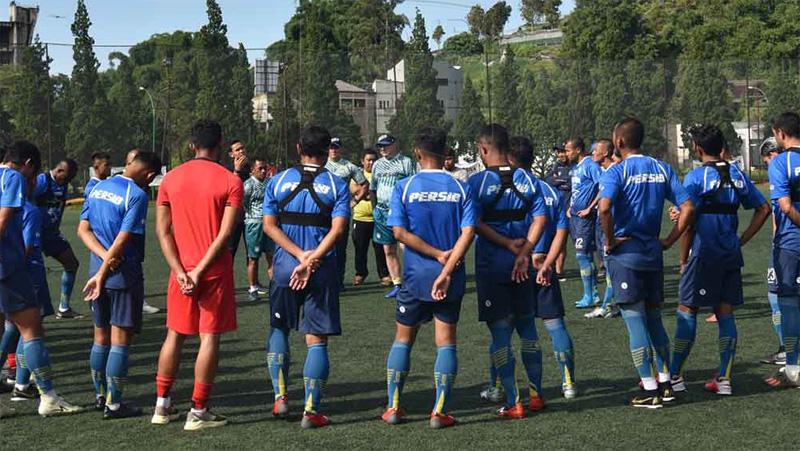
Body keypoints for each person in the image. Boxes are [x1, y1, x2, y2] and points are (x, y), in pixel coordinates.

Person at [381, 127, 476, 429]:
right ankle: (439, 412)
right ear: (445, 153)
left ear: (418, 154)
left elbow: (398, 233)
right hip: (450, 276)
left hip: (414, 276)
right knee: (445, 343)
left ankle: (394, 407)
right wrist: (446, 265)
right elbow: (468, 232)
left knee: (403, 340)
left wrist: (434, 255)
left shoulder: (405, 187)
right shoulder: (462, 187)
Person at [152, 120, 243, 430]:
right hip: (213, 270)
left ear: (192, 145)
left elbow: (163, 232)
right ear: (220, 145)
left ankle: (162, 405)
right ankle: (199, 411)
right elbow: (225, 234)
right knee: (209, 337)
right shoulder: (230, 180)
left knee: (174, 335)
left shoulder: (170, 179)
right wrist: (200, 270)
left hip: (181, 272)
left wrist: (181, 272)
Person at [598, 117, 694, 409]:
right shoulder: (662, 168)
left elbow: (604, 208)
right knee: (654, 319)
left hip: (627, 257)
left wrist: (611, 240)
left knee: (634, 321)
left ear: (619, 142)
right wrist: (668, 240)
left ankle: (649, 390)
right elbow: (688, 207)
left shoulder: (617, 171)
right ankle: (665, 383)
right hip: (653, 254)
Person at [668, 125, 769, 397]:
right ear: (722, 146)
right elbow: (763, 208)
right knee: (725, 314)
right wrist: (742, 239)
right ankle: (724, 378)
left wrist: (683, 259)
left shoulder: (695, 177)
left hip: (703, 255)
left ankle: (674, 375)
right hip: (729, 254)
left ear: (699, 150)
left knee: (687, 311)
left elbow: (688, 223)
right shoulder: (737, 174)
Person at [262, 125, 350, 429]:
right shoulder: (338, 185)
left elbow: (269, 226)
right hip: (321, 269)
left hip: (286, 268)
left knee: (279, 328)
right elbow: (338, 231)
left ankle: (280, 398)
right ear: (327, 152)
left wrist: (298, 256)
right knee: (317, 341)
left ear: (299, 148)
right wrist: (311, 258)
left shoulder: (277, 180)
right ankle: (311, 411)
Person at [467, 127, 547, 419]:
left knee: (500, 332)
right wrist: (524, 251)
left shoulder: (476, 182)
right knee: (528, 328)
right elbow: (540, 218)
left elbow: (473, 224)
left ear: (483, 149)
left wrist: (507, 246)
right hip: (522, 267)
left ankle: (514, 401)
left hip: (492, 266)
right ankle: (536, 394)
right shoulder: (527, 179)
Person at [79, 151, 163, 418]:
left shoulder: (97, 187)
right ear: (149, 175)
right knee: (119, 342)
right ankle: (114, 405)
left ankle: (99, 395)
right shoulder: (136, 195)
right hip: (121, 275)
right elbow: (123, 239)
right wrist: (107, 266)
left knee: (100, 337)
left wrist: (100, 264)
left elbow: (83, 230)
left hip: (96, 273)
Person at [0, 141, 82, 416]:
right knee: (31, 330)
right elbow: (3, 220)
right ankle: (48, 397)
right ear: (28, 165)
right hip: (7, 266)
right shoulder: (11, 176)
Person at [512, 136, 578, 401]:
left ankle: (528, 389)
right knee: (555, 325)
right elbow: (562, 231)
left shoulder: (509, 191)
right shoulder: (549, 190)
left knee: (514, 329)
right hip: (545, 268)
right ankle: (569, 382)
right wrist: (549, 262)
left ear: (510, 159)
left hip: (518, 269)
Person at [764, 112, 800, 388]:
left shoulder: (780, 163)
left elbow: (785, 207)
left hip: (790, 243)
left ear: (780, 133)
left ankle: (792, 369)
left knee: (788, 304)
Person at [34, 158, 81, 319]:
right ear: (59, 171)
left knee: (72, 263)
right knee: (33, 274)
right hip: (35, 234)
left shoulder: (64, 184)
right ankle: (30, 315)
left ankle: (64, 307)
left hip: (52, 234)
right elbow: (27, 203)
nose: (67, 181)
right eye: (66, 177)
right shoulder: (42, 181)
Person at [370, 134, 416, 299]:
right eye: (380, 146)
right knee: (388, 249)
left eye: (386, 145)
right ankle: (397, 284)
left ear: (394, 145)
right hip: (382, 213)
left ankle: (414, 281)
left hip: (400, 212)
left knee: (407, 247)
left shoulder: (406, 162)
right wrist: (374, 209)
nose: (382, 149)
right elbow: (373, 188)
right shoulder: (377, 165)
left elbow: (413, 186)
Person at [324, 137, 368, 290]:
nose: (333, 150)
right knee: (322, 245)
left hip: (341, 212)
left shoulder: (349, 166)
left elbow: (364, 185)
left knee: (340, 248)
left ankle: (338, 280)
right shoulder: (321, 165)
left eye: (336, 147)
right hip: (323, 211)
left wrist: (354, 202)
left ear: (340, 149)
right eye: (331, 147)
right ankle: (323, 280)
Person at [758, 137, 787, 366]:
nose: (767, 163)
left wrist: (776, 239)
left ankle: (786, 348)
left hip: (787, 244)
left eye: (768, 158)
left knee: (776, 294)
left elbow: (780, 211)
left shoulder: (780, 170)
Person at [123, 148, 160, 315]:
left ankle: (139, 301)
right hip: (123, 242)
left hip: (134, 238)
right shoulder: (133, 192)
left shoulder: (138, 190)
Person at [566, 138, 602, 309]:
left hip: (585, 219)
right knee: (586, 255)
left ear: (578, 150)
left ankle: (589, 295)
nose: (567, 154)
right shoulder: (575, 168)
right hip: (574, 216)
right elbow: (577, 191)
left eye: (568, 150)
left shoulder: (590, 165)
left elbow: (604, 186)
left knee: (581, 256)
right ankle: (593, 294)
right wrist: (570, 207)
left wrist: (590, 207)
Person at [585, 139, 620, 319]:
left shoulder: (615, 170)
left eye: (595, 151)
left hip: (610, 222)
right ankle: (612, 303)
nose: (592, 154)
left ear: (605, 153)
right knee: (607, 264)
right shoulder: (605, 171)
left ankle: (608, 305)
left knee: (610, 264)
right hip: (601, 220)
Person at [351, 148, 390, 286]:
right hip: (360, 218)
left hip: (378, 218)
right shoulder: (357, 174)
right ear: (363, 161)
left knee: (380, 248)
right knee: (360, 249)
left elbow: (382, 192)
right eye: (368, 160)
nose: (371, 162)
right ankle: (360, 273)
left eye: (374, 160)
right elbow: (354, 189)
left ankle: (384, 274)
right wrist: (368, 193)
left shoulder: (381, 174)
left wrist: (365, 193)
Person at [243, 157, 274, 302]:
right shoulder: (248, 185)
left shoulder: (269, 183)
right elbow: (243, 203)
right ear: (252, 170)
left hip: (269, 224)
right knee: (253, 258)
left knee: (271, 256)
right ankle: (253, 288)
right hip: (254, 224)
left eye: (265, 168)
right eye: (260, 168)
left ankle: (275, 287)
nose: (263, 171)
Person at [546, 144, 572, 281]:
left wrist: (559, 181)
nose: (561, 155)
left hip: (571, 209)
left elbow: (572, 183)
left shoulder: (574, 166)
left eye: (563, 152)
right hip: (558, 210)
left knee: (576, 245)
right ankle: (558, 271)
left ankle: (601, 267)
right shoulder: (555, 166)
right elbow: (549, 181)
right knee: (558, 241)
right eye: (559, 153)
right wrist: (562, 181)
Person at [226, 140, 250, 258]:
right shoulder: (228, 170)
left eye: (242, 148)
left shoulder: (253, 168)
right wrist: (237, 171)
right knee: (230, 251)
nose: (241, 151)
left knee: (252, 255)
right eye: (237, 150)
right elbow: (229, 189)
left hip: (250, 217)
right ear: (231, 154)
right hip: (234, 217)